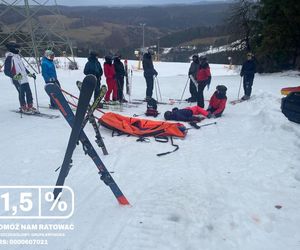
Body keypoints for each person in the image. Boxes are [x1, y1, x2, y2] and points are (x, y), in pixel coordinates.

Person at [4, 41, 36, 112]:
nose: (19, 50)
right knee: (21, 93)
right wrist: (14, 76)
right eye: (18, 48)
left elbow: (23, 68)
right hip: (17, 78)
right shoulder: (9, 58)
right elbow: (6, 71)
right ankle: (23, 106)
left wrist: (30, 74)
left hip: (24, 78)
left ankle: (30, 106)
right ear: (13, 48)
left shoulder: (18, 57)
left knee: (28, 92)